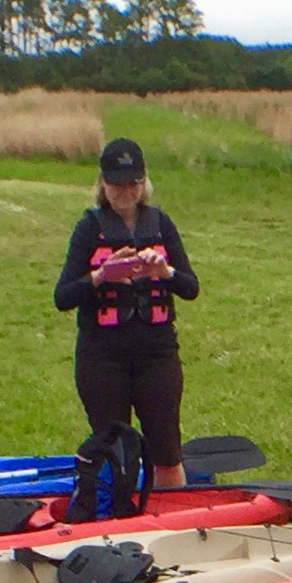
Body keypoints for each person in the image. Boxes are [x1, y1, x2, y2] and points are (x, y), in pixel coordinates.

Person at [54, 138, 200, 513]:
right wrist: (101, 276)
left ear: (144, 183)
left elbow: (190, 288)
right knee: (113, 447)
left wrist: (162, 271)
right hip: (102, 355)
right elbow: (63, 296)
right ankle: (113, 517)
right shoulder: (89, 228)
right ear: (103, 183)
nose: (126, 191)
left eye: (133, 183)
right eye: (117, 183)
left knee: (166, 447)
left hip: (157, 353)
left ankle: (172, 517)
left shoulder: (161, 224)